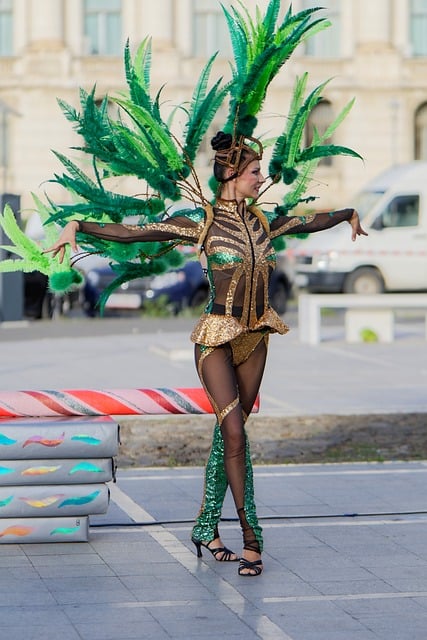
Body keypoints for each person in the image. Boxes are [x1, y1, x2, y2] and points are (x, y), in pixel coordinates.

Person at [44, 131, 367, 576]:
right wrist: (77, 224)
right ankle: (251, 538)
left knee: (227, 435)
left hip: (256, 337)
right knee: (235, 433)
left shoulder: (265, 221)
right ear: (232, 174)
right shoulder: (204, 222)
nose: (262, 178)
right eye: (255, 171)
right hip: (214, 338)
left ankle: (204, 529)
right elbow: (136, 232)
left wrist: (348, 213)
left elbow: (311, 221)